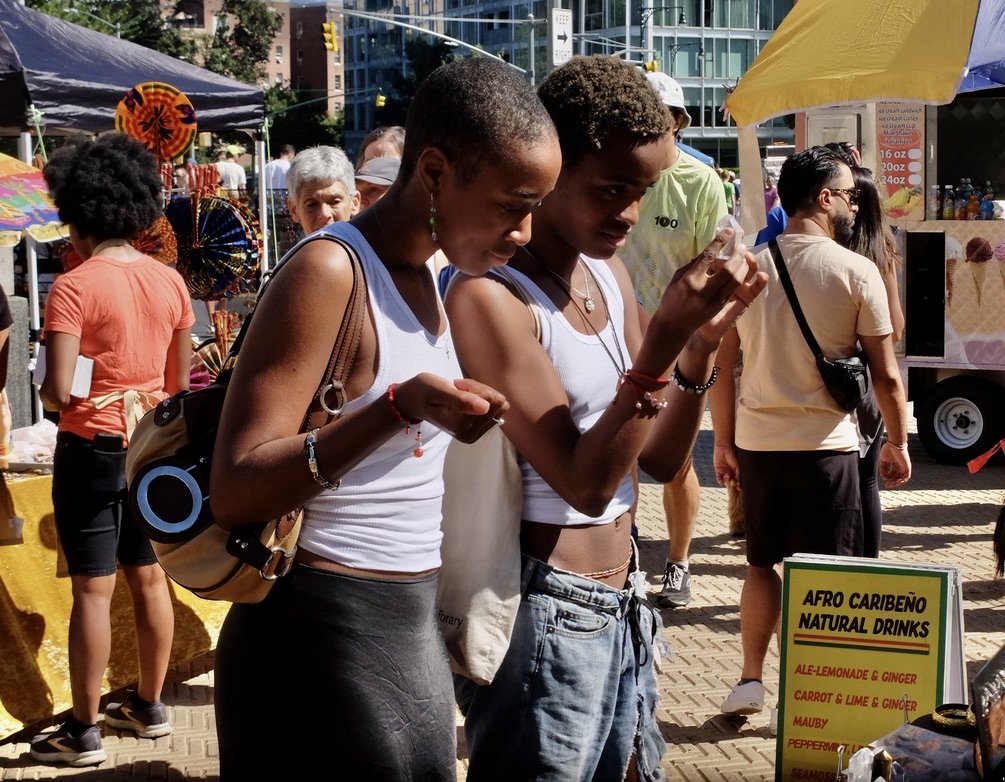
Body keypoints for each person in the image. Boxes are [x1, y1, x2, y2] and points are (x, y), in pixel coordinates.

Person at [209, 57, 561, 780]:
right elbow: (237, 486)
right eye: (510, 205)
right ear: (434, 173)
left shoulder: (437, 275)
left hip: (399, 613)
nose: (525, 231)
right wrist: (398, 411)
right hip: (317, 629)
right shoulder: (330, 270)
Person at [446, 54, 766, 781]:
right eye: (610, 189)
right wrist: (658, 345)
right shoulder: (490, 298)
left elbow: (653, 461)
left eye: (643, 192)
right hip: (542, 610)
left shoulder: (605, 271)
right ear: (551, 168)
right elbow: (582, 484)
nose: (628, 213)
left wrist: (697, 349)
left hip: (621, 601)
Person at [709, 146, 911, 726]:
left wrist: (724, 442)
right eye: (848, 194)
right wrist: (897, 442)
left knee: (759, 565)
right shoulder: (855, 271)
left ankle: (750, 681)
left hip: (758, 447)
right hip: (828, 451)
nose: (853, 203)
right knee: (826, 580)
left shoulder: (748, 267)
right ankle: (810, 698)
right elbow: (887, 375)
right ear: (822, 198)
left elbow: (724, 364)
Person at [31, 133, 194, 767]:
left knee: (93, 593)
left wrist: (72, 380)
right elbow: (179, 388)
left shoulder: (72, 286)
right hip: (151, 449)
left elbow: (54, 393)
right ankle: (151, 706)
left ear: (78, 213)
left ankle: (84, 729)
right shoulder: (170, 281)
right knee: (150, 578)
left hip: (91, 447)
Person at [618, 70, 728, 609]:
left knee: (675, 461)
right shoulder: (612, 173)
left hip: (676, 337)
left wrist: (694, 333)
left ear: (679, 123)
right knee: (621, 449)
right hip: (613, 332)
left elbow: (712, 260)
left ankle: (680, 561)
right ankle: (628, 553)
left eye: (656, 117)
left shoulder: (699, 182)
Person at [845, 165, 905, 558]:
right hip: (868, 380)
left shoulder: (837, 253)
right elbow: (896, 329)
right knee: (866, 480)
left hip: (835, 377)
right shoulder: (880, 254)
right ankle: (867, 568)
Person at [286, 145, 360, 234]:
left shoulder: (369, 247)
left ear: (354, 203)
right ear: (294, 210)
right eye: (312, 204)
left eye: (335, 202)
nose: (325, 214)